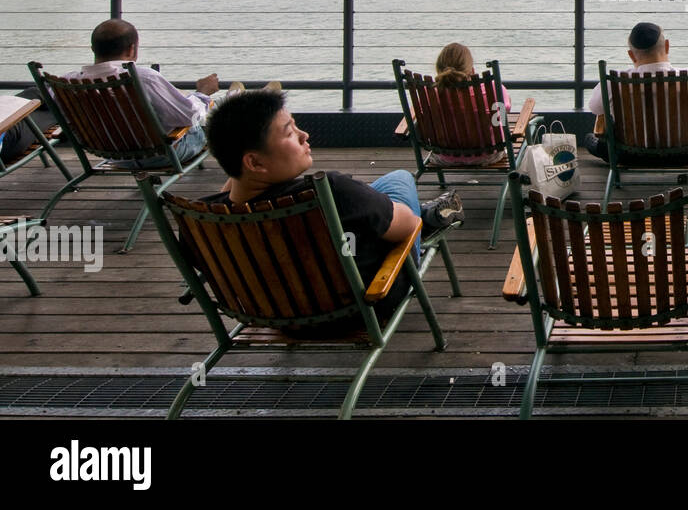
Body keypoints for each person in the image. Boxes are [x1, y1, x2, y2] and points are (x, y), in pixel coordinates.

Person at [204, 89, 449, 322]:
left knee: (364, 204)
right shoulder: (332, 192)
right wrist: (377, 205)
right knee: (399, 180)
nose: (304, 135)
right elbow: (408, 226)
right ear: (255, 162)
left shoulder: (206, 221)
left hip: (272, 315)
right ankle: (419, 213)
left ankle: (374, 208)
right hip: (362, 306)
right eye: (290, 133)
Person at [583, 21, 688, 166]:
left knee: (605, 125)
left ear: (631, 55)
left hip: (630, 155)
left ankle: (600, 148)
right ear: (667, 46)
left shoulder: (613, 82)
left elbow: (595, 109)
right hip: (686, 155)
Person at [63, 19, 219, 166]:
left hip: (111, 156)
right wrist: (202, 93)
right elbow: (188, 117)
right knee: (215, 111)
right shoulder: (144, 78)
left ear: (93, 49)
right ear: (132, 49)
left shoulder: (67, 83)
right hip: (161, 155)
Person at [429, 43, 511, 166]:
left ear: (438, 68)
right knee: (501, 118)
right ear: (471, 69)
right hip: (487, 155)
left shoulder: (431, 94)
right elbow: (504, 113)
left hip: (444, 157)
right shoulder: (493, 88)